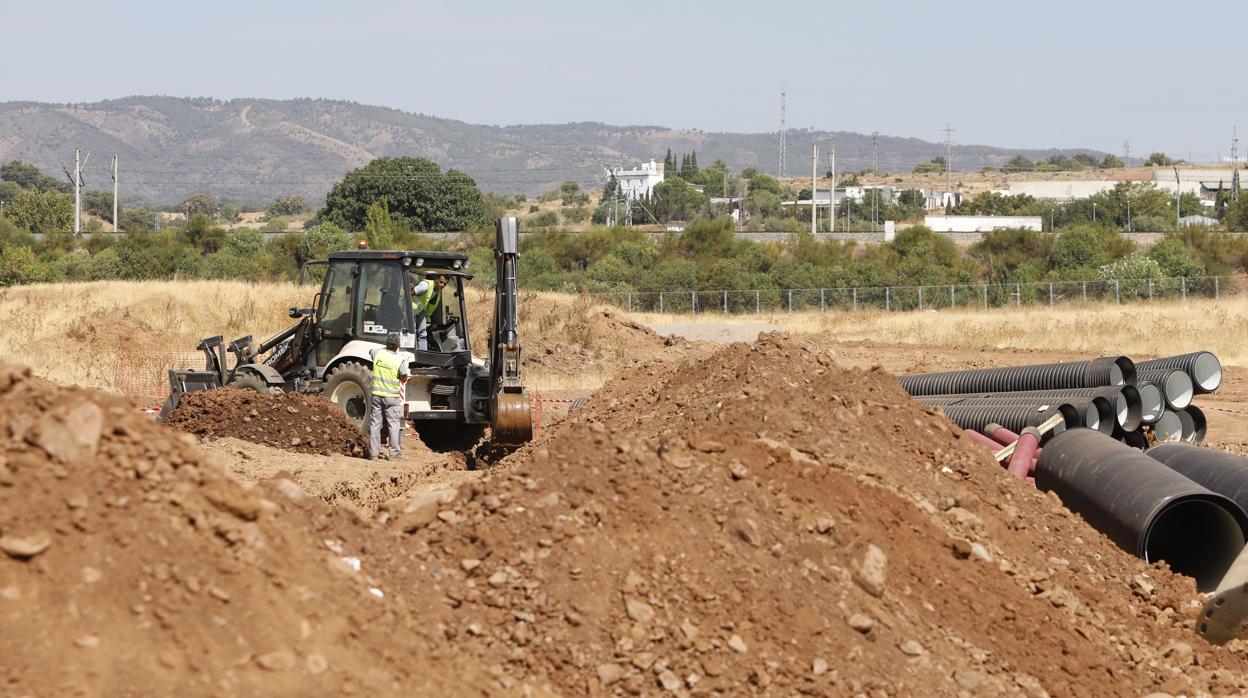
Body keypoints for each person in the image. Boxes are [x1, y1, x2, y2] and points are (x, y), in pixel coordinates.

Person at [368, 332, 410, 460]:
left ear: (386, 344)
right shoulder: (399, 359)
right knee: (393, 424)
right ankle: (394, 453)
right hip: (391, 396)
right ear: (398, 346)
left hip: (376, 395)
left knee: (375, 424)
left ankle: (373, 453)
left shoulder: (377, 353)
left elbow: (371, 351)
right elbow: (403, 377)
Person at [411, 273, 449, 351]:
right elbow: (409, 293)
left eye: (444, 284)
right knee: (411, 331)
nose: (442, 285)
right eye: (441, 282)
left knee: (423, 333)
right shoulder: (425, 286)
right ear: (436, 279)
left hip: (420, 311)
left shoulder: (437, 293)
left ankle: (423, 354)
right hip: (409, 310)